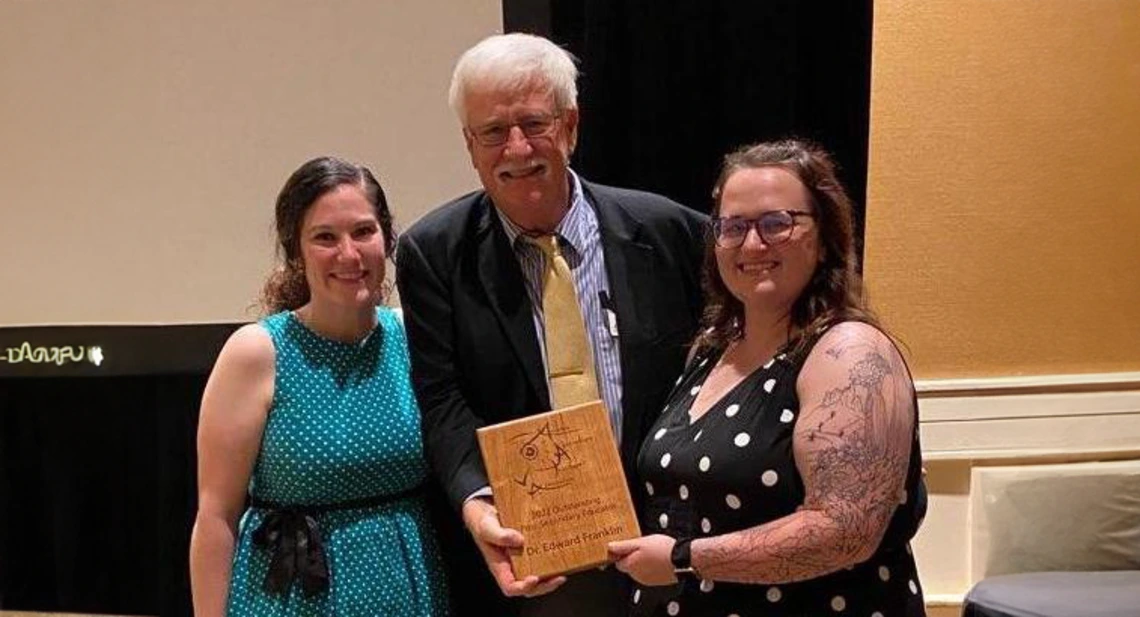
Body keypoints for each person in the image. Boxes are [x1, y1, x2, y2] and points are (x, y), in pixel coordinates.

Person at [395, 33, 707, 617]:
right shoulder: (432, 253)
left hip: (674, 535)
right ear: (469, 145)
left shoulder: (672, 232)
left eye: (534, 124)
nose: (516, 149)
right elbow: (442, 399)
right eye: (492, 132)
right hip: (538, 553)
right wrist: (475, 502)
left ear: (571, 126)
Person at [607, 139, 928, 617]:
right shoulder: (713, 348)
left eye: (776, 224)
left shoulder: (849, 352)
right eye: (733, 227)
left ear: (824, 238)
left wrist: (683, 559)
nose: (752, 244)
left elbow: (844, 531)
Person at [189, 157, 449, 617]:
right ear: (296, 251)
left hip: (406, 592)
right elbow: (215, 518)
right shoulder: (256, 353)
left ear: (387, 239)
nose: (349, 255)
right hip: (292, 597)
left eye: (364, 232)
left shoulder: (413, 340)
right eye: (325, 237)